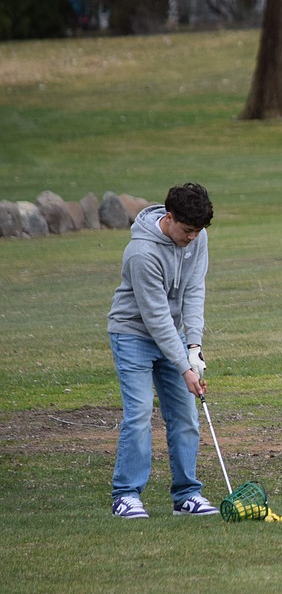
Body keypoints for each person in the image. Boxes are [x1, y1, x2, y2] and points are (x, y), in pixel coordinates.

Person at [108, 183, 218, 518]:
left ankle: (186, 495)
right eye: (187, 230)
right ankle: (125, 495)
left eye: (198, 231)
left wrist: (194, 348)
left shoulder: (197, 239)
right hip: (132, 335)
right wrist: (183, 366)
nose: (192, 238)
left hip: (176, 336)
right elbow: (155, 317)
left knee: (186, 416)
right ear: (168, 218)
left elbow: (194, 290)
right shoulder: (142, 253)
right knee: (139, 415)